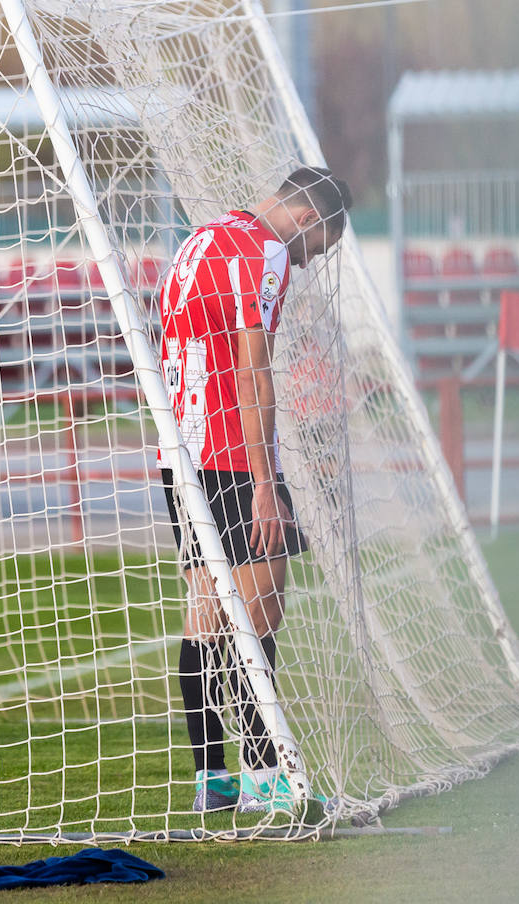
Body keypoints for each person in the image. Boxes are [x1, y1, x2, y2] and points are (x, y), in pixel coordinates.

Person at [157, 166, 351, 814]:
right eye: (318, 246)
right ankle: (266, 777)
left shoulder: (199, 240)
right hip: (231, 453)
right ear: (307, 218)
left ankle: (212, 778)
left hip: (178, 451)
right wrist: (266, 481)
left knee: (207, 611)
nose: (310, 259)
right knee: (262, 605)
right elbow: (254, 374)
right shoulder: (265, 251)